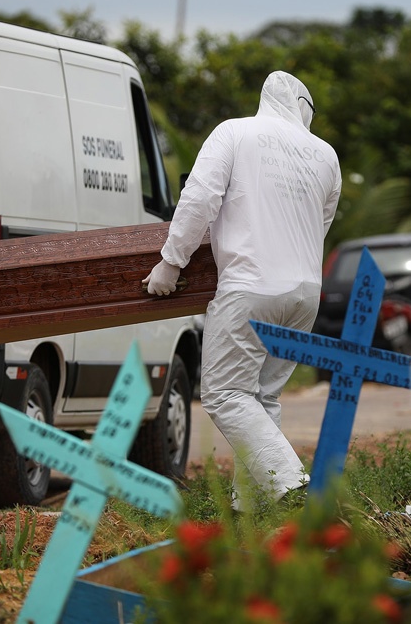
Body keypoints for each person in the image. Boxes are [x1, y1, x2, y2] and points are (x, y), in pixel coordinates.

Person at [143, 71, 341, 512]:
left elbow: (199, 199)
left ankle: (292, 487)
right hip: (306, 294)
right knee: (263, 397)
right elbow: (320, 223)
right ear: (304, 108)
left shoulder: (234, 132)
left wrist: (171, 262)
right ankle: (249, 509)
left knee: (224, 394)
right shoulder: (326, 155)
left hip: (251, 287)